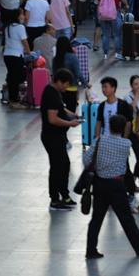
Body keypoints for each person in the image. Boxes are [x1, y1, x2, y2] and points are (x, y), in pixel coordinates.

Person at [83, 114, 139, 259]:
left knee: (96, 219)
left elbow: (86, 159)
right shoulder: (126, 144)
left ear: (109, 126)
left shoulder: (99, 140)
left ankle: (91, 250)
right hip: (117, 185)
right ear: (123, 128)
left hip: (100, 183)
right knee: (126, 218)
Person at [40, 69, 81, 210]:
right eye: (65, 84)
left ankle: (64, 195)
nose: (66, 87)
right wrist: (70, 123)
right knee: (57, 167)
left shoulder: (55, 92)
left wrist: (73, 115)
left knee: (64, 165)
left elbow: (62, 109)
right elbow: (52, 119)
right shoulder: (51, 94)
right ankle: (55, 199)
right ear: (59, 81)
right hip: (52, 136)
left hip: (58, 136)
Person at [2, 7, 31, 109]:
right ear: (17, 16)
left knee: (12, 77)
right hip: (16, 56)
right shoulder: (20, 27)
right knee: (18, 77)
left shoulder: (8, 27)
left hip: (7, 55)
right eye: (22, 14)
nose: (23, 16)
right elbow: (24, 42)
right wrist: (29, 52)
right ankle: (14, 101)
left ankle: (12, 99)